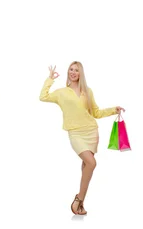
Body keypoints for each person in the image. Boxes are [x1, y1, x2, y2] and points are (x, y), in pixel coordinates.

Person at [39, 62, 124, 215]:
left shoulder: (87, 91)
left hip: (91, 131)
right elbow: (43, 97)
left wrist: (113, 110)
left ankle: (80, 202)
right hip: (75, 133)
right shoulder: (62, 92)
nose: (73, 72)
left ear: (80, 74)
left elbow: (96, 113)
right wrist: (50, 79)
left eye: (76, 70)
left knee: (87, 165)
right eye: (71, 70)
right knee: (92, 163)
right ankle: (78, 199)